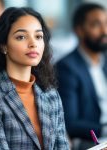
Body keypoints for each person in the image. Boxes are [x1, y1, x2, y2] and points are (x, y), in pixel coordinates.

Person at [0, 7, 69, 150]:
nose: (33, 44)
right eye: (21, 37)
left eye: (38, 36)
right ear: (4, 46)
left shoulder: (51, 95)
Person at [54, 3, 107, 149]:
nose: (105, 30)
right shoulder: (66, 67)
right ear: (79, 30)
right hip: (93, 141)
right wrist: (104, 129)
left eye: (106, 23)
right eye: (96, 24)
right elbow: (70, 123)